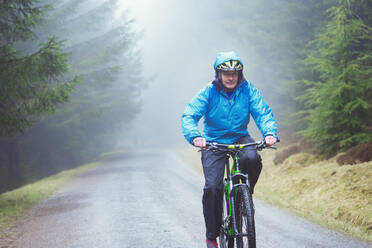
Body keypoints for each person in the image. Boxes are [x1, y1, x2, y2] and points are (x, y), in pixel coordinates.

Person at [181, 51, 278, 248]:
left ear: (240, 74)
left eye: (235, 73)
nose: (231, 77)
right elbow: (189, 115)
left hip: (240, 137)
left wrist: (269, 133)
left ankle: (245, 192)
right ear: (218, 74)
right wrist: (196, 136)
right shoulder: (208, 92)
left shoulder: (248, 90)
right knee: (213, 188)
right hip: (212, 142)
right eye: (226, 73)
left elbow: (263, 112)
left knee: (252, 158)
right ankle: (211, 236)